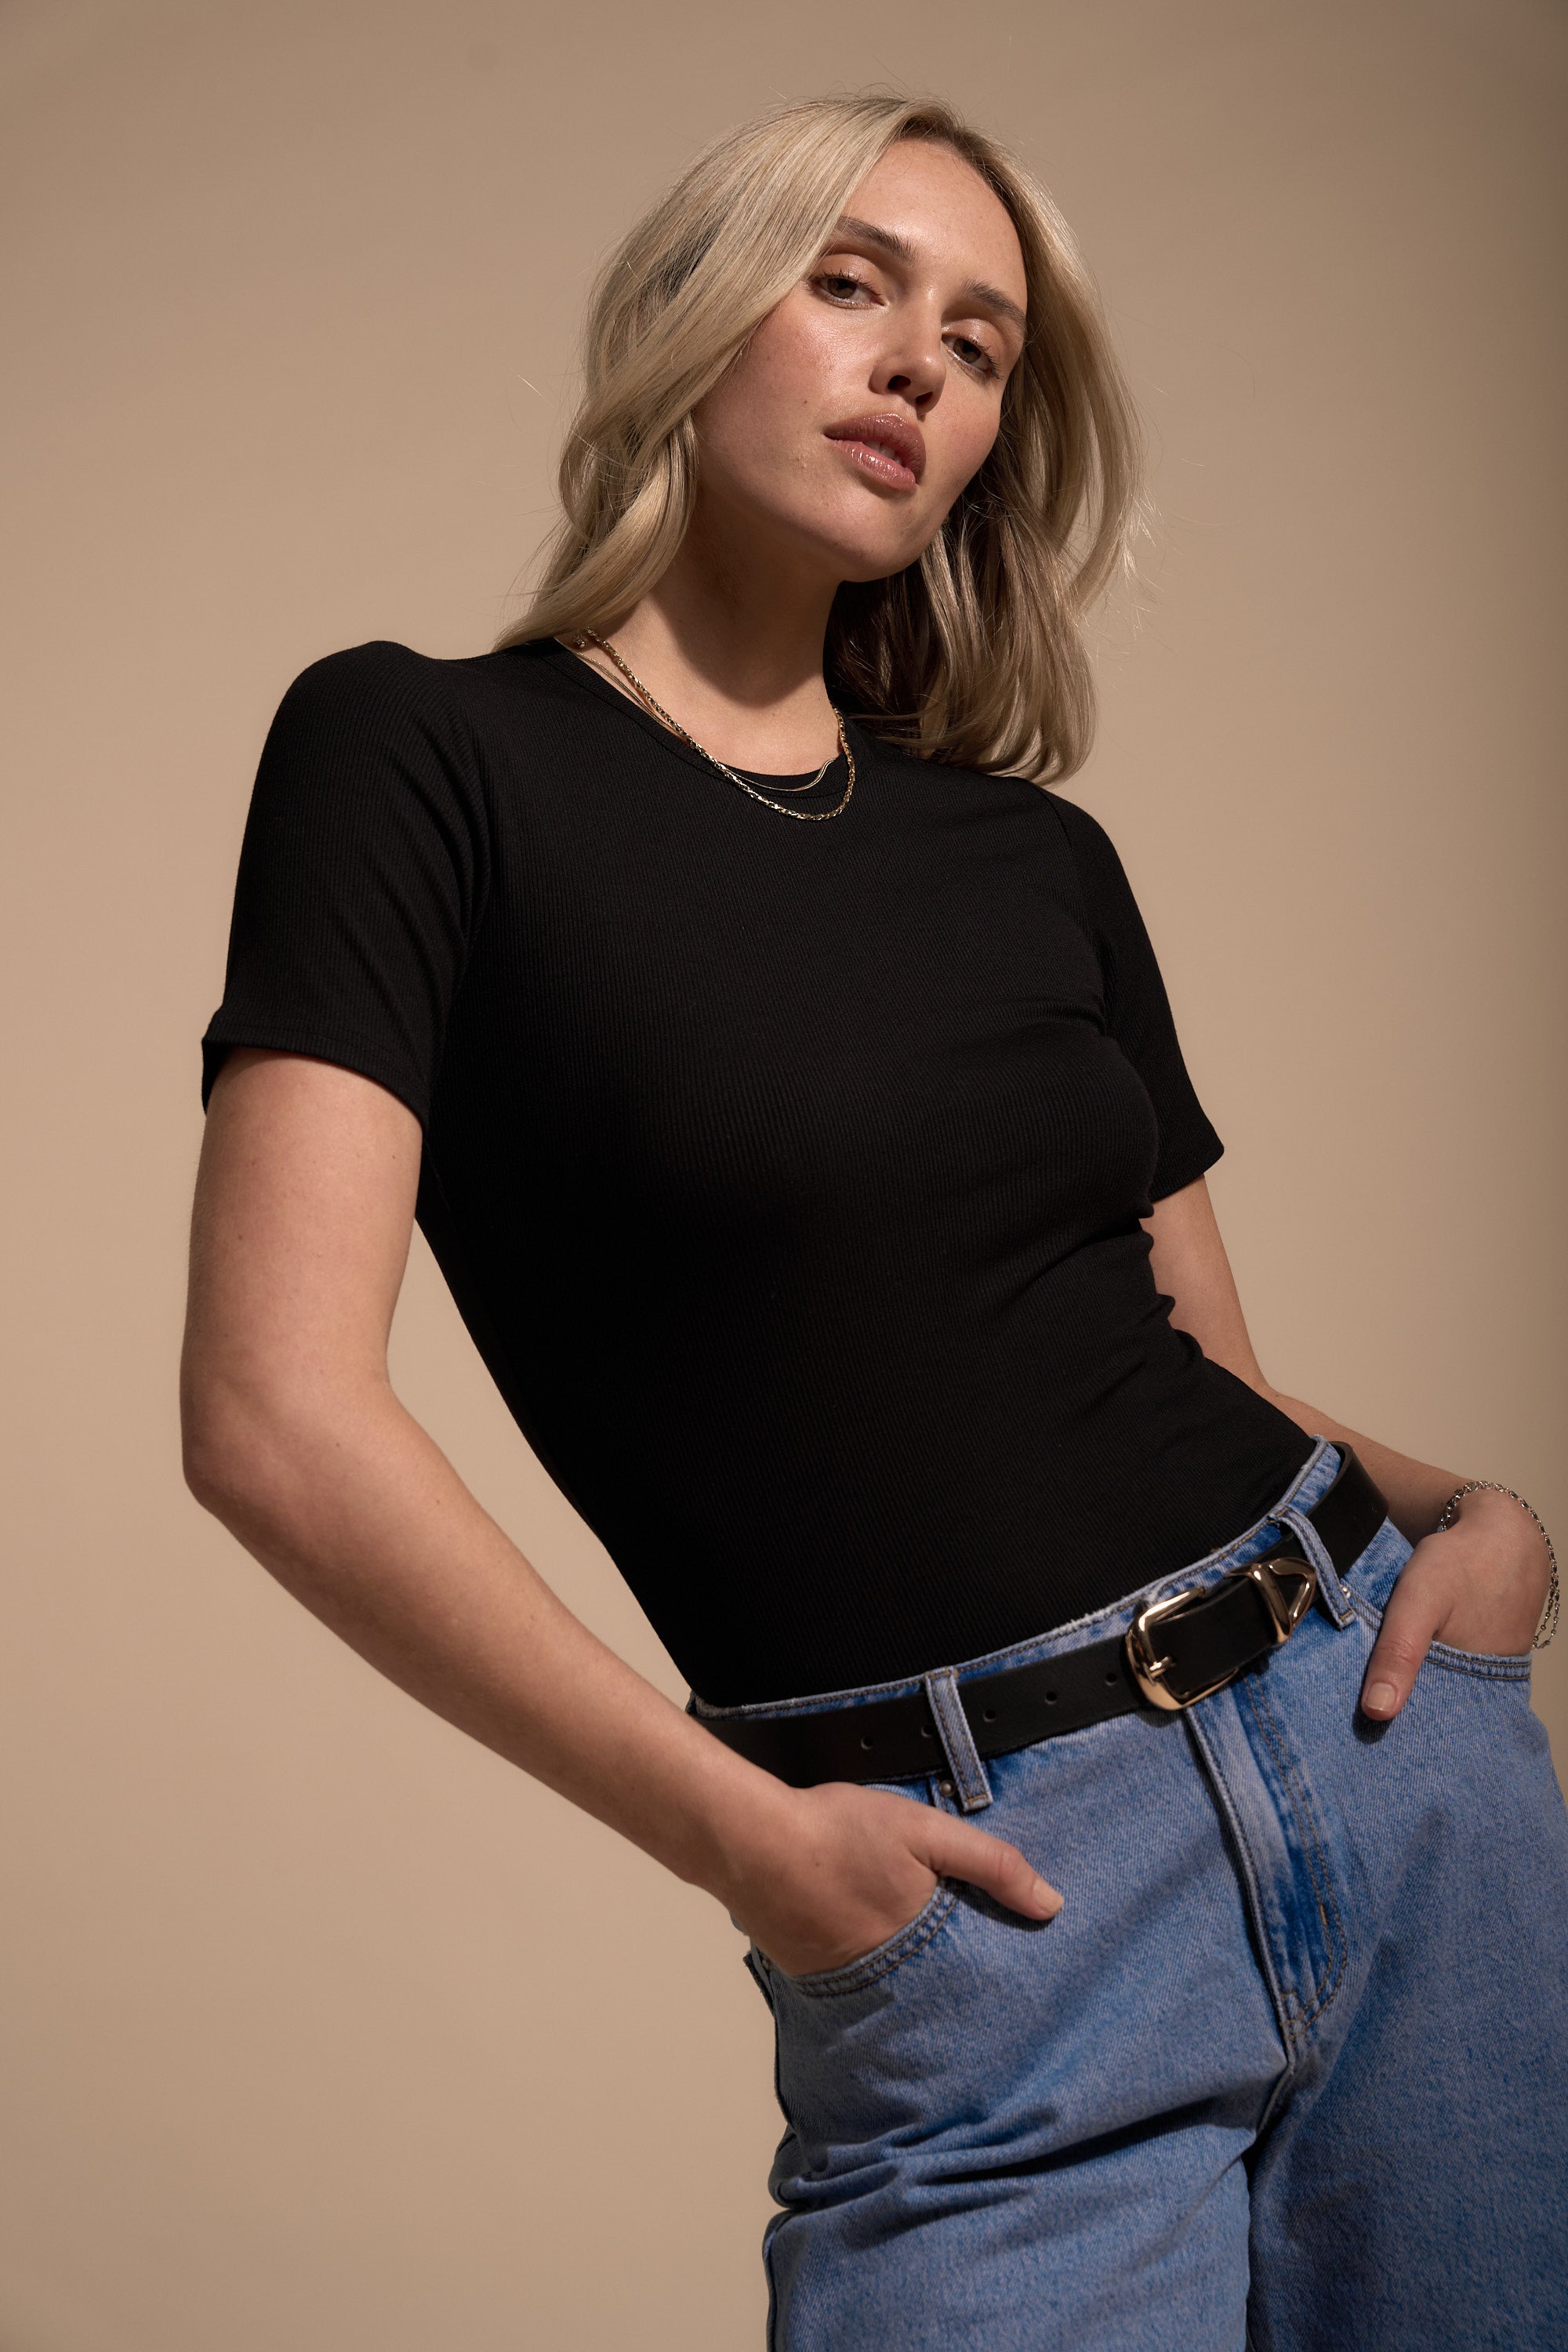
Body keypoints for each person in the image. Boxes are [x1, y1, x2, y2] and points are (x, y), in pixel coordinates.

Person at [182, 93, 1566, 2350]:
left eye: (985, 340)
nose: (923, 363)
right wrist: (747, 1834)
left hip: (1401, 1781)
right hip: (998, 1924)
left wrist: (1472, 1515)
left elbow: (1186, 1371)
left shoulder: (1038, 862)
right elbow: (271, 1418)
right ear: (691, 314)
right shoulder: (417, 763)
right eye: (853, 282)